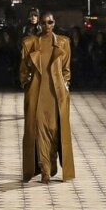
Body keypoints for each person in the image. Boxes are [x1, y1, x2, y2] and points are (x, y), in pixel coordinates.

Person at [20, 10, 74, 182]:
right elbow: (23, 69)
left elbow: (66, 69)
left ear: (54, 23)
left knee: (55, 131)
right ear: (39, 24)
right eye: (43, 22)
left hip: (56, 93)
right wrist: (26, 83)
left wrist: (66, 85)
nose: (47, 25)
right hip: (37, 92)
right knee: (40, 130)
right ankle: (45, 169)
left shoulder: (64, 42)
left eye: (50, 22)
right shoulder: (29, 43)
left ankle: (51, 164)